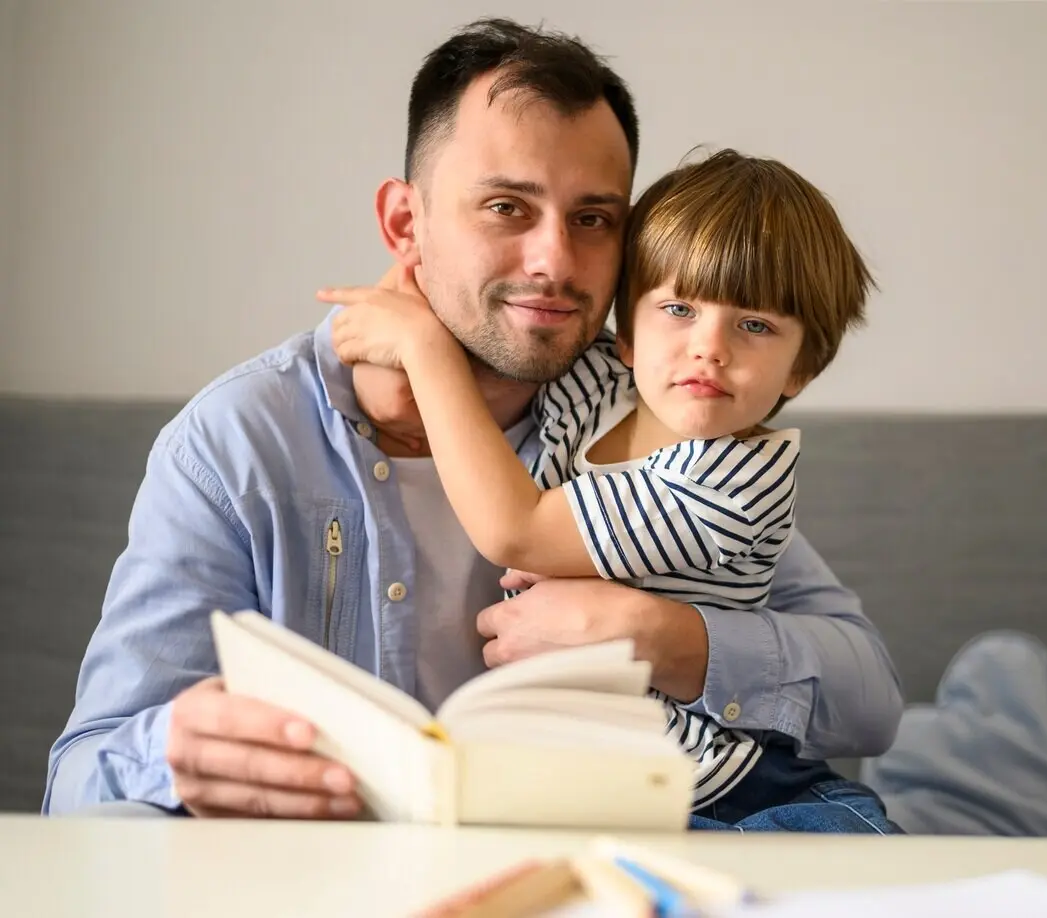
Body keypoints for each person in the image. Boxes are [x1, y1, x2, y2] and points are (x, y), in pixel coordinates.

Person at [43, 18, 903, 829]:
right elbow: (78, 783)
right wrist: (168, 756)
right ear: (404, 224)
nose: (554, 263)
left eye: (594, 219)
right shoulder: (237, 446)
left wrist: (662, 638)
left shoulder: (644, 418)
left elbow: (869, 699)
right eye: (506, 207)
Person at [322, 147, 894, 828]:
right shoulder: (602, 383)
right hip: (596, 786)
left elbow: (518, 530)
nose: (708, 347)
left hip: (728, 789)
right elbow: (460, 309)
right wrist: (385, 359)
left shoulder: (734, 485)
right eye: (679, 308)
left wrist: (422, 351)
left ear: (801, 369)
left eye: (755, 326)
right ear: (626, 334)